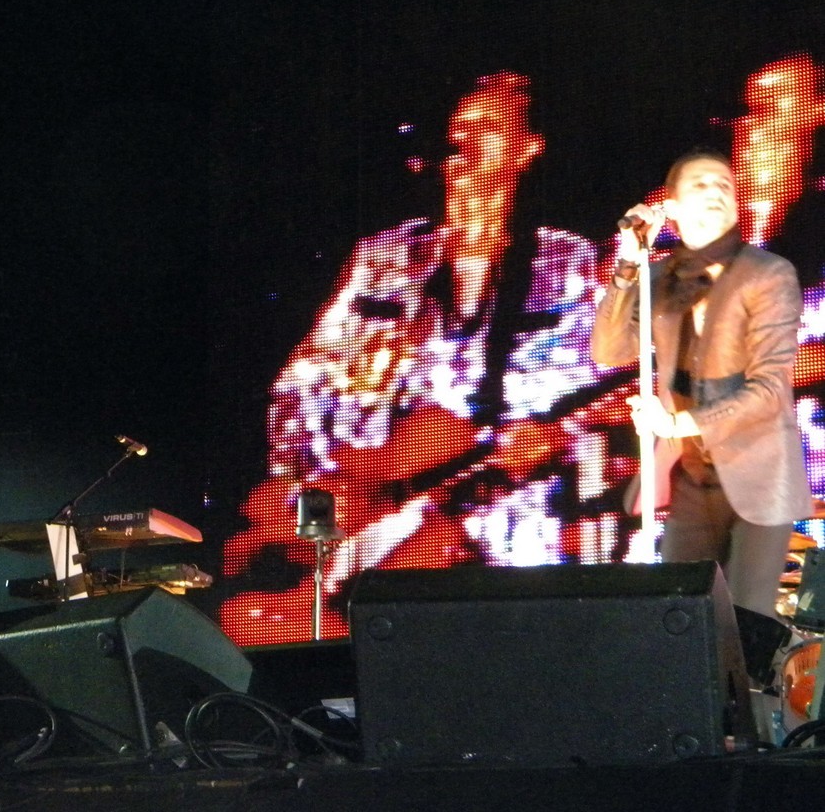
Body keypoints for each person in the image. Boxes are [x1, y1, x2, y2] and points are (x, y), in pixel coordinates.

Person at [221, 72, 619, 644]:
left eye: (486, 128)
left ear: (527, 149)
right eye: (458, 130)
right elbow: (299, 387)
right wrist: (313, 502)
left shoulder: (569, 263)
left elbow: (603, 387)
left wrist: (541, 439)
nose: (462, 143)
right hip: (364, 521)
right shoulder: (385, 256)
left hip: (508, 534)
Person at [592, 151, 814, 615]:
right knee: (684, 617)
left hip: (759, 476)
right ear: (670, 205)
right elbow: (608, 352)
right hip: (693, 479)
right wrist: (628, 265)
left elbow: (770, 390)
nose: (716, 191)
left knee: (747, 623)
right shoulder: (658, 278)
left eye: (724, 185)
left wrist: (676, 424)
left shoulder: (767, 273)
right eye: (700, 184)